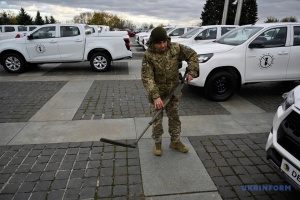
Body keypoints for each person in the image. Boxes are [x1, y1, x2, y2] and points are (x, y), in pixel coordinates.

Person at [141, 27, 199, 156]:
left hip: (173, 92)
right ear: (153, 42)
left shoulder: (175, 48)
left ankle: (175, 141)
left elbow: (192, 55)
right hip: (157, 94)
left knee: (175, 118)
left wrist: (192, 71)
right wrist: (155, 96)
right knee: (157, 121)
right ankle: (157, 143)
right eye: (159, 43)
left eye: (164, 42)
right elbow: (147, 78)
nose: (162, 45)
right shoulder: (148, 56)